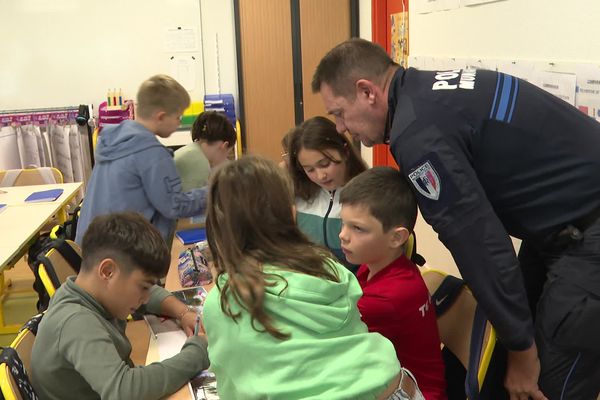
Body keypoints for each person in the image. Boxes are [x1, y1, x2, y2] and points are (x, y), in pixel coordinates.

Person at [313, 37, 600, 399]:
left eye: (338, 113)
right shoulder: (430, 88)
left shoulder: (417, 135)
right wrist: (518, 342)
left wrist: (522, 354)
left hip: (586, 230)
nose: (340, 127)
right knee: (514, 340)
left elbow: (479, 246)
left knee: (551, 381)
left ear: (367, 92)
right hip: (561, 223)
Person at [202, 155, 424, 400]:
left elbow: (235, 387)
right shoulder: (329, 265)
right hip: (396, 387)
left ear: (218, 226)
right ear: (291, 213)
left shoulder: (225, 299)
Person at [31, 212, 209, 400]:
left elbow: (152, 293)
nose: (146, 298)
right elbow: (124, 391)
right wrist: (196, 355)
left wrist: (183, 313)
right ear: (108, 271)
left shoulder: (88, 291)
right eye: (143, 287)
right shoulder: (76, 321)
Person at [339, 166, 447, 400]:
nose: (343, 235)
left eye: (357, 228)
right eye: (343, 223)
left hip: (414, 393)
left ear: (397, 237)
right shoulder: (384, 264)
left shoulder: (387, 299)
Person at [75, 74, 207, 244]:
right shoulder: (153, 154)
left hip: (91, 248)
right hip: (122, 255)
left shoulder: (113, 140)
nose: (179, 123)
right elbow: (174, 206)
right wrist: (213, 192)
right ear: (161, 116)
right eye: (178, 117)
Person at [288, 116, 367, 272]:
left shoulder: (368, 193)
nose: (320, 176)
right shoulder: (297, 196)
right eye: (309, 169)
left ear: (345, 152)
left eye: (325, 164)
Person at [174, 111, 237, 191]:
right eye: (228, 153)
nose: (225, 159)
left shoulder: (192, 151)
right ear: (224, 146)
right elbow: (195, 202)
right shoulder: (199, 162)